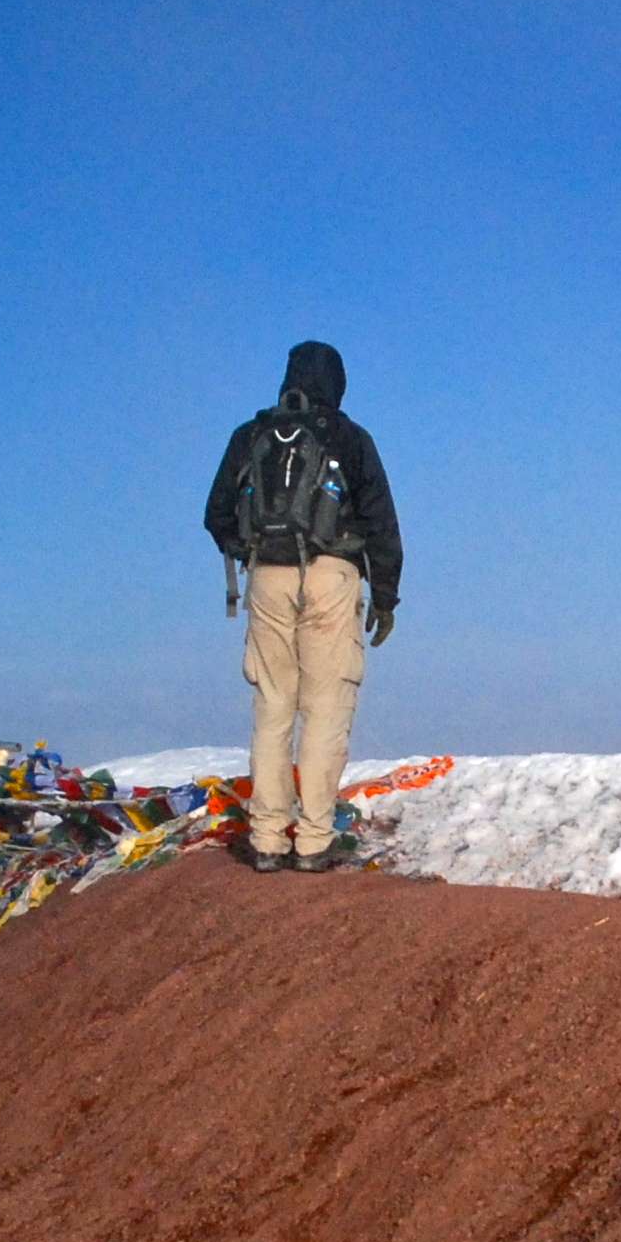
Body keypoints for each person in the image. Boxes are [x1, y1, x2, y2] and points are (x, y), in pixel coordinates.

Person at [202, 340, 403, 872]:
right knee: (325, 708)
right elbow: (382, 521)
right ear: (336, 382)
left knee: (272, 707)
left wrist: (250, 551)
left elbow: (216, 513)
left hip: (266, 576)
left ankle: (266, 838)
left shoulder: (251, 436)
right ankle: (314, 841)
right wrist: (385, 596)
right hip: (333, 575)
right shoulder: (349, 437)